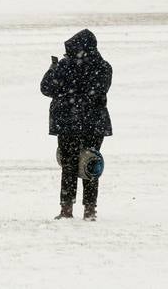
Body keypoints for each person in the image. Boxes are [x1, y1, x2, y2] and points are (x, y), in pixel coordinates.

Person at [40, 29, 112, 221]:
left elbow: (46, 88)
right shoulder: (103, 67)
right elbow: (98, 91)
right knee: (91, 164)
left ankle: (66, 209)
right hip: (94, 123)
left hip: (68, 122)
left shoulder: (65, 66)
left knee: (69, 165)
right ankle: (90, 209)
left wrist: (53, 69)